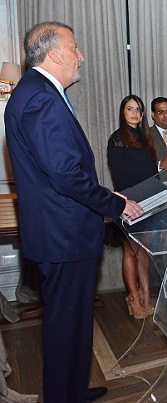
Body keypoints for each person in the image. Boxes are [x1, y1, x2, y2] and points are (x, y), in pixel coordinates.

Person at [4, 21, 142, 402]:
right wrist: (115, 203)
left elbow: (60, 171)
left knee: (73, 323)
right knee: (66, 325)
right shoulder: (40, 98)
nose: (80, 55)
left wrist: (103, 192)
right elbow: (65, 174)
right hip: (63, 236)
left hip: (63, 231)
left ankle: (71, 391)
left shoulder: (36, 93)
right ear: (55, 54)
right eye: (75, 47)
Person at [107, 95, 158, 319]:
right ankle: (133, 298)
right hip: (127, 203)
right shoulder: (117, 139)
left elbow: (151, 173)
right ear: (123, 112)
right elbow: (119, 177)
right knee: (130, 251)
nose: (134, 113)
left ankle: (146, 296)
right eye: (130, 109)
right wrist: (130, 202)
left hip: (148, 202)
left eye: (138, 109)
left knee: (143, 251)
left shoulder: (147, 138)